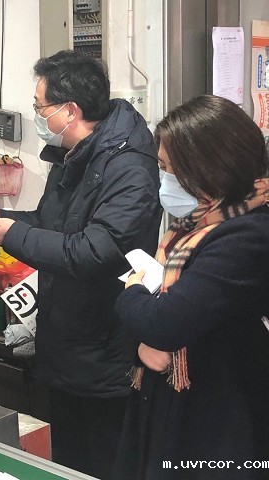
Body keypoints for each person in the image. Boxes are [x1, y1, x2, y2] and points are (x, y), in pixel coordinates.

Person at [0, 50, 162, 478]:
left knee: (101, 462)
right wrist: (5, 220)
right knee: (67, 462)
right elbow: (51, 224)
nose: (38, 116)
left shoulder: (128, 166)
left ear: (69, 110)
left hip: (105, 348)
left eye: (40, 107)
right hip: (66, 343)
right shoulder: (73, 155)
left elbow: (94, 252)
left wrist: (11, 235)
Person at [112, 95, 269, 480]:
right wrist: (142, 343)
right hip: (173, 401)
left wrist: (132, 287)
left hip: (221, 418)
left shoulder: (247, 235)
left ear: (210, 167)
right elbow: (159, 321)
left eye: (170, 169)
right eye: (162, 167)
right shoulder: (192, 226)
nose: (164, 180)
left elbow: (166, 321)